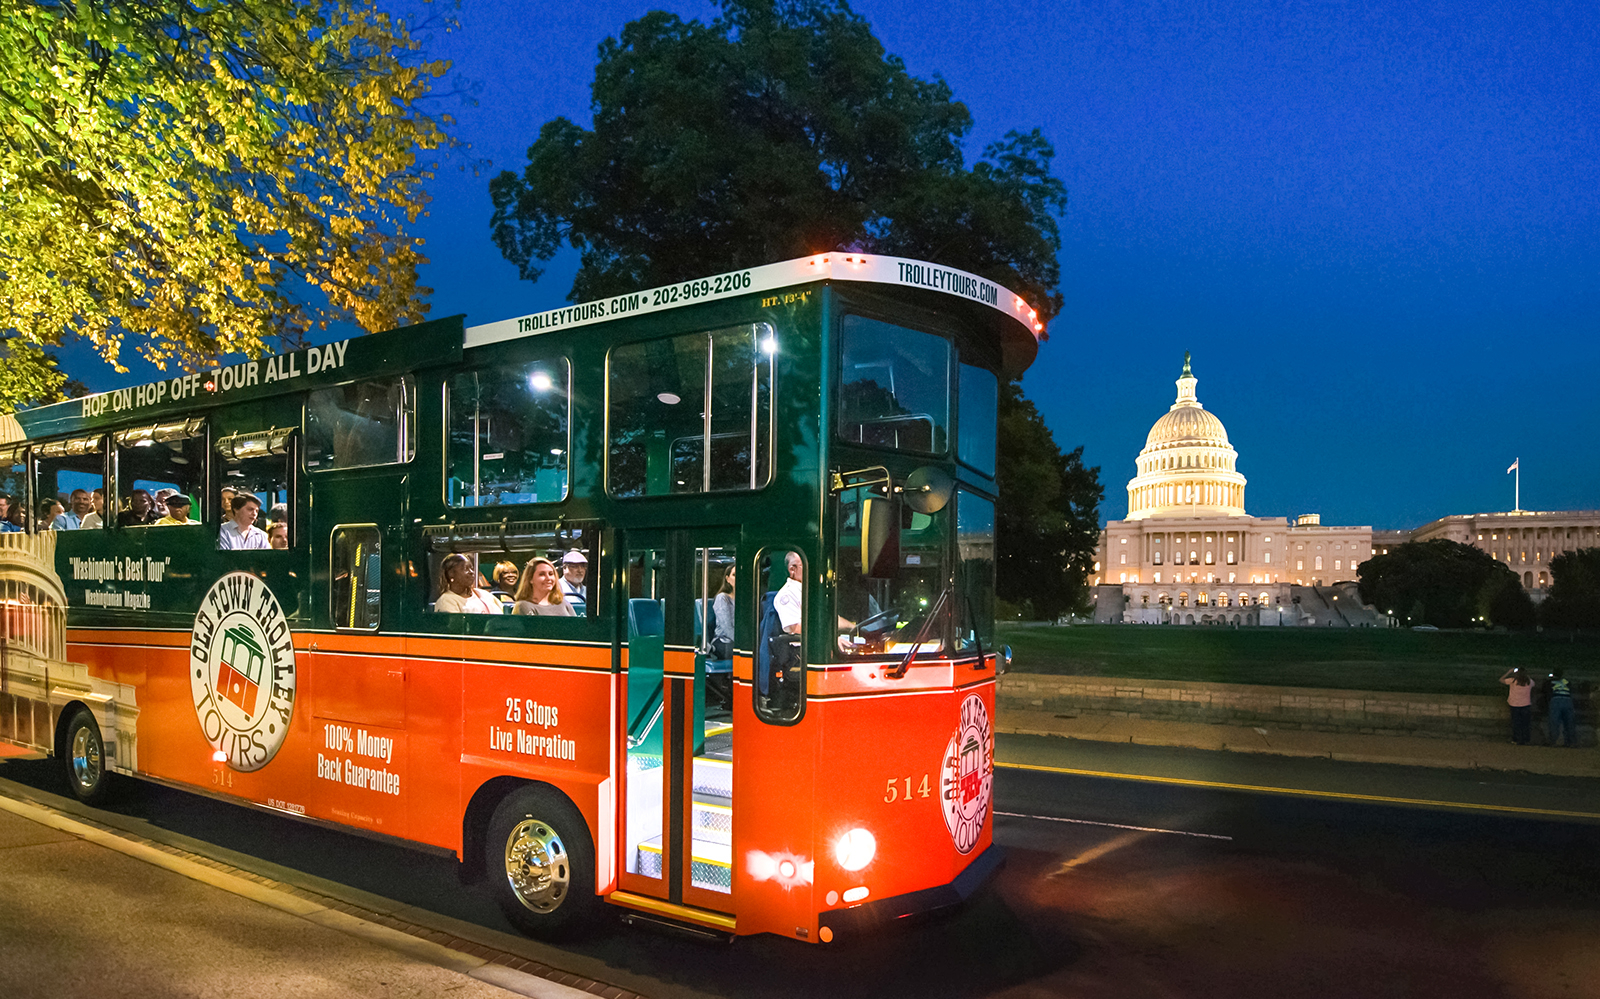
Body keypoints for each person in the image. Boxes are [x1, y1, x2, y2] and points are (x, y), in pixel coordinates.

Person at [435, 553, 502, 614]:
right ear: (451, 574)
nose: (471, 572)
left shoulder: (483, 594)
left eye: (471, 568)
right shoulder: (446, 601)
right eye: (465, 569)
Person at [1500, 667, 1534, 745]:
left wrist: (1509, 672)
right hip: (1526, 704)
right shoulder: (1529, 682)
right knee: (1525, 724)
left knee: (1516, 723)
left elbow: (1501, 680)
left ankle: (1516, 739)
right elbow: (1533, 683)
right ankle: (1525, 740)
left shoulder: (1512, 680)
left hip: (1514, 704)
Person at [1546, 668, 1577, 748]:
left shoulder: (1550, 682)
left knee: (1554, 722)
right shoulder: (1567, 682)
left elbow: (1547, 691)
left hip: (1556, 699)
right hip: (1567, 700)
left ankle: (1553, 741)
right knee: (1569, 722)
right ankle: (1570, 742)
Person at [774, 551, 803, 634]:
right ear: (792, 569)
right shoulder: (787, 594)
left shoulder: (809, 590)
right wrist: (828, 637)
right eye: (805, 564)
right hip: (799, 646)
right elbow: (793, 627)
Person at [711, 565, 736, 660]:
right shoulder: (722, 598)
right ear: (727, 579)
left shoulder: (744, 601)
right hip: (723, 642)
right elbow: (727, 627)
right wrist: (743, 642)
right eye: (734, 575)